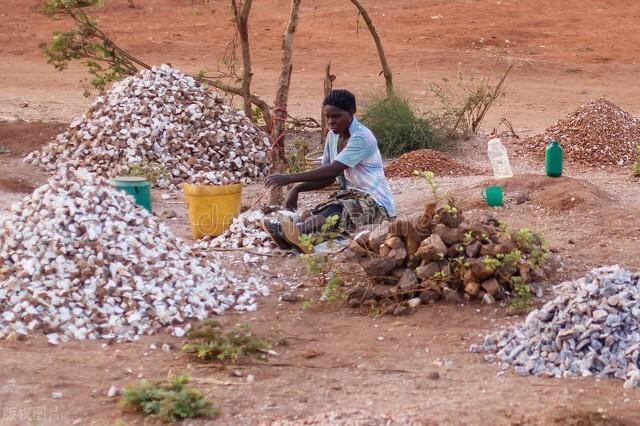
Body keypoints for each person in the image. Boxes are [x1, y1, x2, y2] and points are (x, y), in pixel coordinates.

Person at [263, 89, 396, 252]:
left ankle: (295, 232)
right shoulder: (333, 136)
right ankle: (292, 236)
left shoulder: (362, 137)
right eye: (327, 117)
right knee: (325, 210)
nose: (330, 121)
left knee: (339, 209)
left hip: (377, 203)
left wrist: (289, 179)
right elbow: (329, 178)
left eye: (336, 116)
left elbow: (332, 170)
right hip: (352, 197)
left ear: (351, 112)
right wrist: (298, 188)